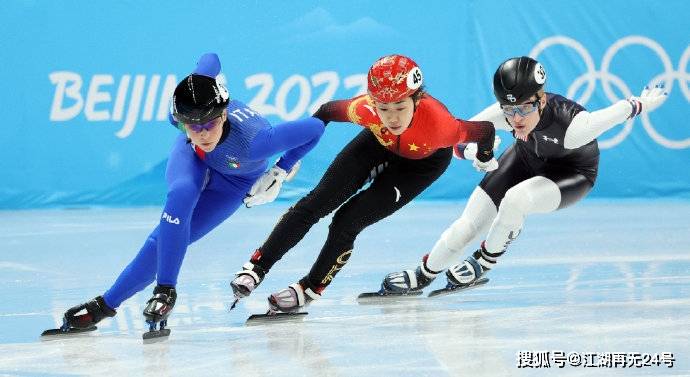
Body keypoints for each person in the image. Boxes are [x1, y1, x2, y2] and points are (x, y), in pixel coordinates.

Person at [58, 53, 326, 332]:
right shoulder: (184, 121)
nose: (202, 133)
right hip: (194, 159)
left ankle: (107, 304)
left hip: (234, 182)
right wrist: (199, 82)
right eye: (192, 126)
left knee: (172, 239)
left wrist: (281, 170)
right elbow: (209, 60)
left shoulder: (257, 143)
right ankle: (156, 293)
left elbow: (315, 128)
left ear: (223, 114)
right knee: (181, 196)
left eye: (209, 124)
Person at [230, 54, 498, 313]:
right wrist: (285, 165)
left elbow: (485, 129)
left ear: (417, 99)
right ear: (374, 103)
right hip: (377, 143)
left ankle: (310, 288)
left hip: (421, 165)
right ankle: (256, 268)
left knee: (347, 222)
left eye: (400, 108)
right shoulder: (366, 110)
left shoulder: (441, 126)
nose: (392, 118)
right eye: (384, 108)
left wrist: (485, 156)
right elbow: (323, 114)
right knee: (315, 203)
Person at [380, 56, 668, 294]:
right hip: (525, 159)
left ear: (541, 100)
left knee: (516, 200)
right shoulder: (503, 113)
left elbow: (616, 113)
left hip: (571, 173)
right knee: (467, 224)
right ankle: (424, 274)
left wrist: (643, 102)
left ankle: (483, 262)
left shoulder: (574, 125)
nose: (516, 118)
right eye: (509, 110)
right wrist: (476, 154)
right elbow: (457, 141)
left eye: (525, 108)